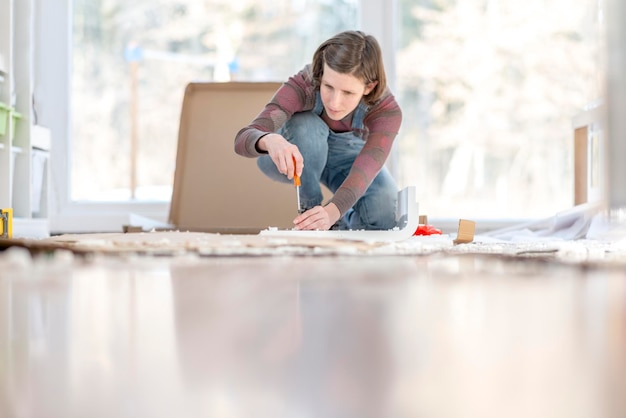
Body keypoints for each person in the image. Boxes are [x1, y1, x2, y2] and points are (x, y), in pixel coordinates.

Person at [234, 30, 402, 231]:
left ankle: (338, 224)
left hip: (346, 161)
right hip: (293, 155)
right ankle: (310, 213)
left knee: (385, 211)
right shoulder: (304, 84)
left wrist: (332, 212)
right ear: (321, 74)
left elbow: (365, 170)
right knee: (306, 125)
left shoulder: (387, 112)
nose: (334, 102)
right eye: (328, 86)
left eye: (348, 92)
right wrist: (270, 140)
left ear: (368, 87)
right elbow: (242, 139)